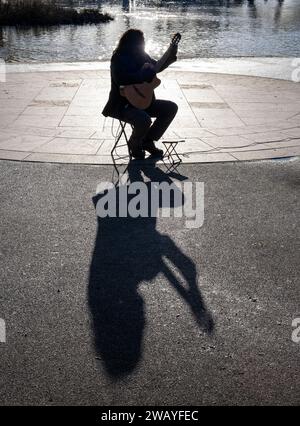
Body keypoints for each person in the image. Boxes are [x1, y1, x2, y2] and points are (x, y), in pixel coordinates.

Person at [102, 29, 179, 159]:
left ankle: (147, 141)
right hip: (121, 105)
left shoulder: (141, 54)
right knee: (143, 119)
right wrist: (143, 74)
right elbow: (121, 79)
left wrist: (172, 50)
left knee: (171, 108)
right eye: (141, 41)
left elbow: (157, 67)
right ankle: (134, 143)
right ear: (132, 42)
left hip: (144, 101)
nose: (143, 43)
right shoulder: (118, 58)